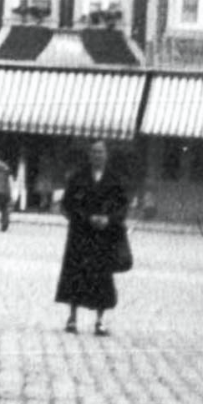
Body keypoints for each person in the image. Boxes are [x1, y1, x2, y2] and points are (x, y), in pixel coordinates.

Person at [56, 140, 128, 337]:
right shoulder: (78, 177)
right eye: (94, 152)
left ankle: (100, 320)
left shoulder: (114, 179)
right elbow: (66, 205)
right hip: (81, 234)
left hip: (103, 236)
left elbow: (123, 206)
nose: (97, 156)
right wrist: (86, 217)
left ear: (107, 155)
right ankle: (72, 318)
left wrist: (109, 219)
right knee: (75, 276)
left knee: (102, 278)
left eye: (101, 152)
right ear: (89, 155)